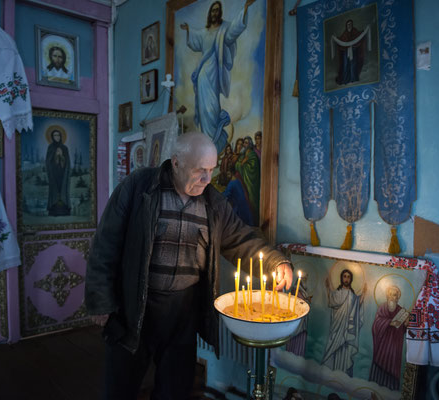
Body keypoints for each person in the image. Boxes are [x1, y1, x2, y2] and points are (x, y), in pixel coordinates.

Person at [85, 132, 293, 399]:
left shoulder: (214, 203)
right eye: (200, 171)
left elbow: (241, 239)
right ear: (176, 162)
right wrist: (100, 301)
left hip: (184, 313)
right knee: (120, 388)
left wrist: (276, 261)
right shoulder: (139, 187)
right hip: (135, 308)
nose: (207, 179)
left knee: (175, 389)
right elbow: (105, 244)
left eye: (211, 170)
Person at [180, 0, 256, 153]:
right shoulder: (205, 32)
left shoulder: (223, 29)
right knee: (203, 107)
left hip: (214, 73)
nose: (214, 13)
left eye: (217, 10)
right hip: (203, 76)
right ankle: (206, 141)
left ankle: (213, 142)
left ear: (219, 13)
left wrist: (245, 9)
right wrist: (188, 30)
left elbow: (234, 29)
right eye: (212, 10)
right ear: (210, 14)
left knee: (212, 106)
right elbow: (195, 41)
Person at [321, 269, 366, 377]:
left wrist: (364, 294)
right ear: (342, 278)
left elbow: (356, 307)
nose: (346, 279)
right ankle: (330, 372)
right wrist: (327, 288)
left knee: (345, 350)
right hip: (337, 327)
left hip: (347, 329)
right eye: (344, 276)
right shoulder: (337, 293)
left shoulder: (352, 295)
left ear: (351, 279)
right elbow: (331, 302)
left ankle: (342, 373)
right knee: (334, 348)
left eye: (348, 277)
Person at [369, 285, 408, 390]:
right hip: (383, 343)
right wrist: (389, 322)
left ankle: (391, 388)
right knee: (380, 361)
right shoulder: (382, 307)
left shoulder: (401, 310)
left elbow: (404, 329)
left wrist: (406, 324)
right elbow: (376, 324)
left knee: (392, 364)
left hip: (395, 344)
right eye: (390, 294)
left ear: (398, 297)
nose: (392, 297)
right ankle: (375, 385)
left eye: (394, 295)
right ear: (387, 295)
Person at [45, 127, 71, 216]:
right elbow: (48, 162)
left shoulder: (64, 148)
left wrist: (62, 157)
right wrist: (55, 156)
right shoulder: (50, 148)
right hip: (54, 174)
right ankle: (53, 209)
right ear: (52, 137)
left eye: (58, 135)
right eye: (55, 135)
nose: (57, 137)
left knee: (63, 189)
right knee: (55, 190)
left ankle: (64, 209)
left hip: (63, 174)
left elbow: (67, 163)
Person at [332, 19, 367, 85]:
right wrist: (335, 38)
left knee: (353, 64)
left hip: (353, 50)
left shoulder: (354, 31)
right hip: (346, 51)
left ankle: (354, 79)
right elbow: (341, 40)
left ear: (352, 24)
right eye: (348, 24)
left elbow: (359, 35)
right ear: (346, 25)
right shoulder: (345, 33)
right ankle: (345, 80)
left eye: (350, 24)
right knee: (345, 65)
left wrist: (364, 31)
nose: (349, 25)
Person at [235, 136, 260, 225]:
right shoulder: (243, 155)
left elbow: (253, 169)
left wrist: (243, 164)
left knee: (251, 200)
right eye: (244, 143)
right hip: (242, 182)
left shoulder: (252, 155)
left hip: (251, 183)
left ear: (249, 144)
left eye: (245, 143)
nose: (244, 145)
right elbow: (237, 165)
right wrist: (241, 163)